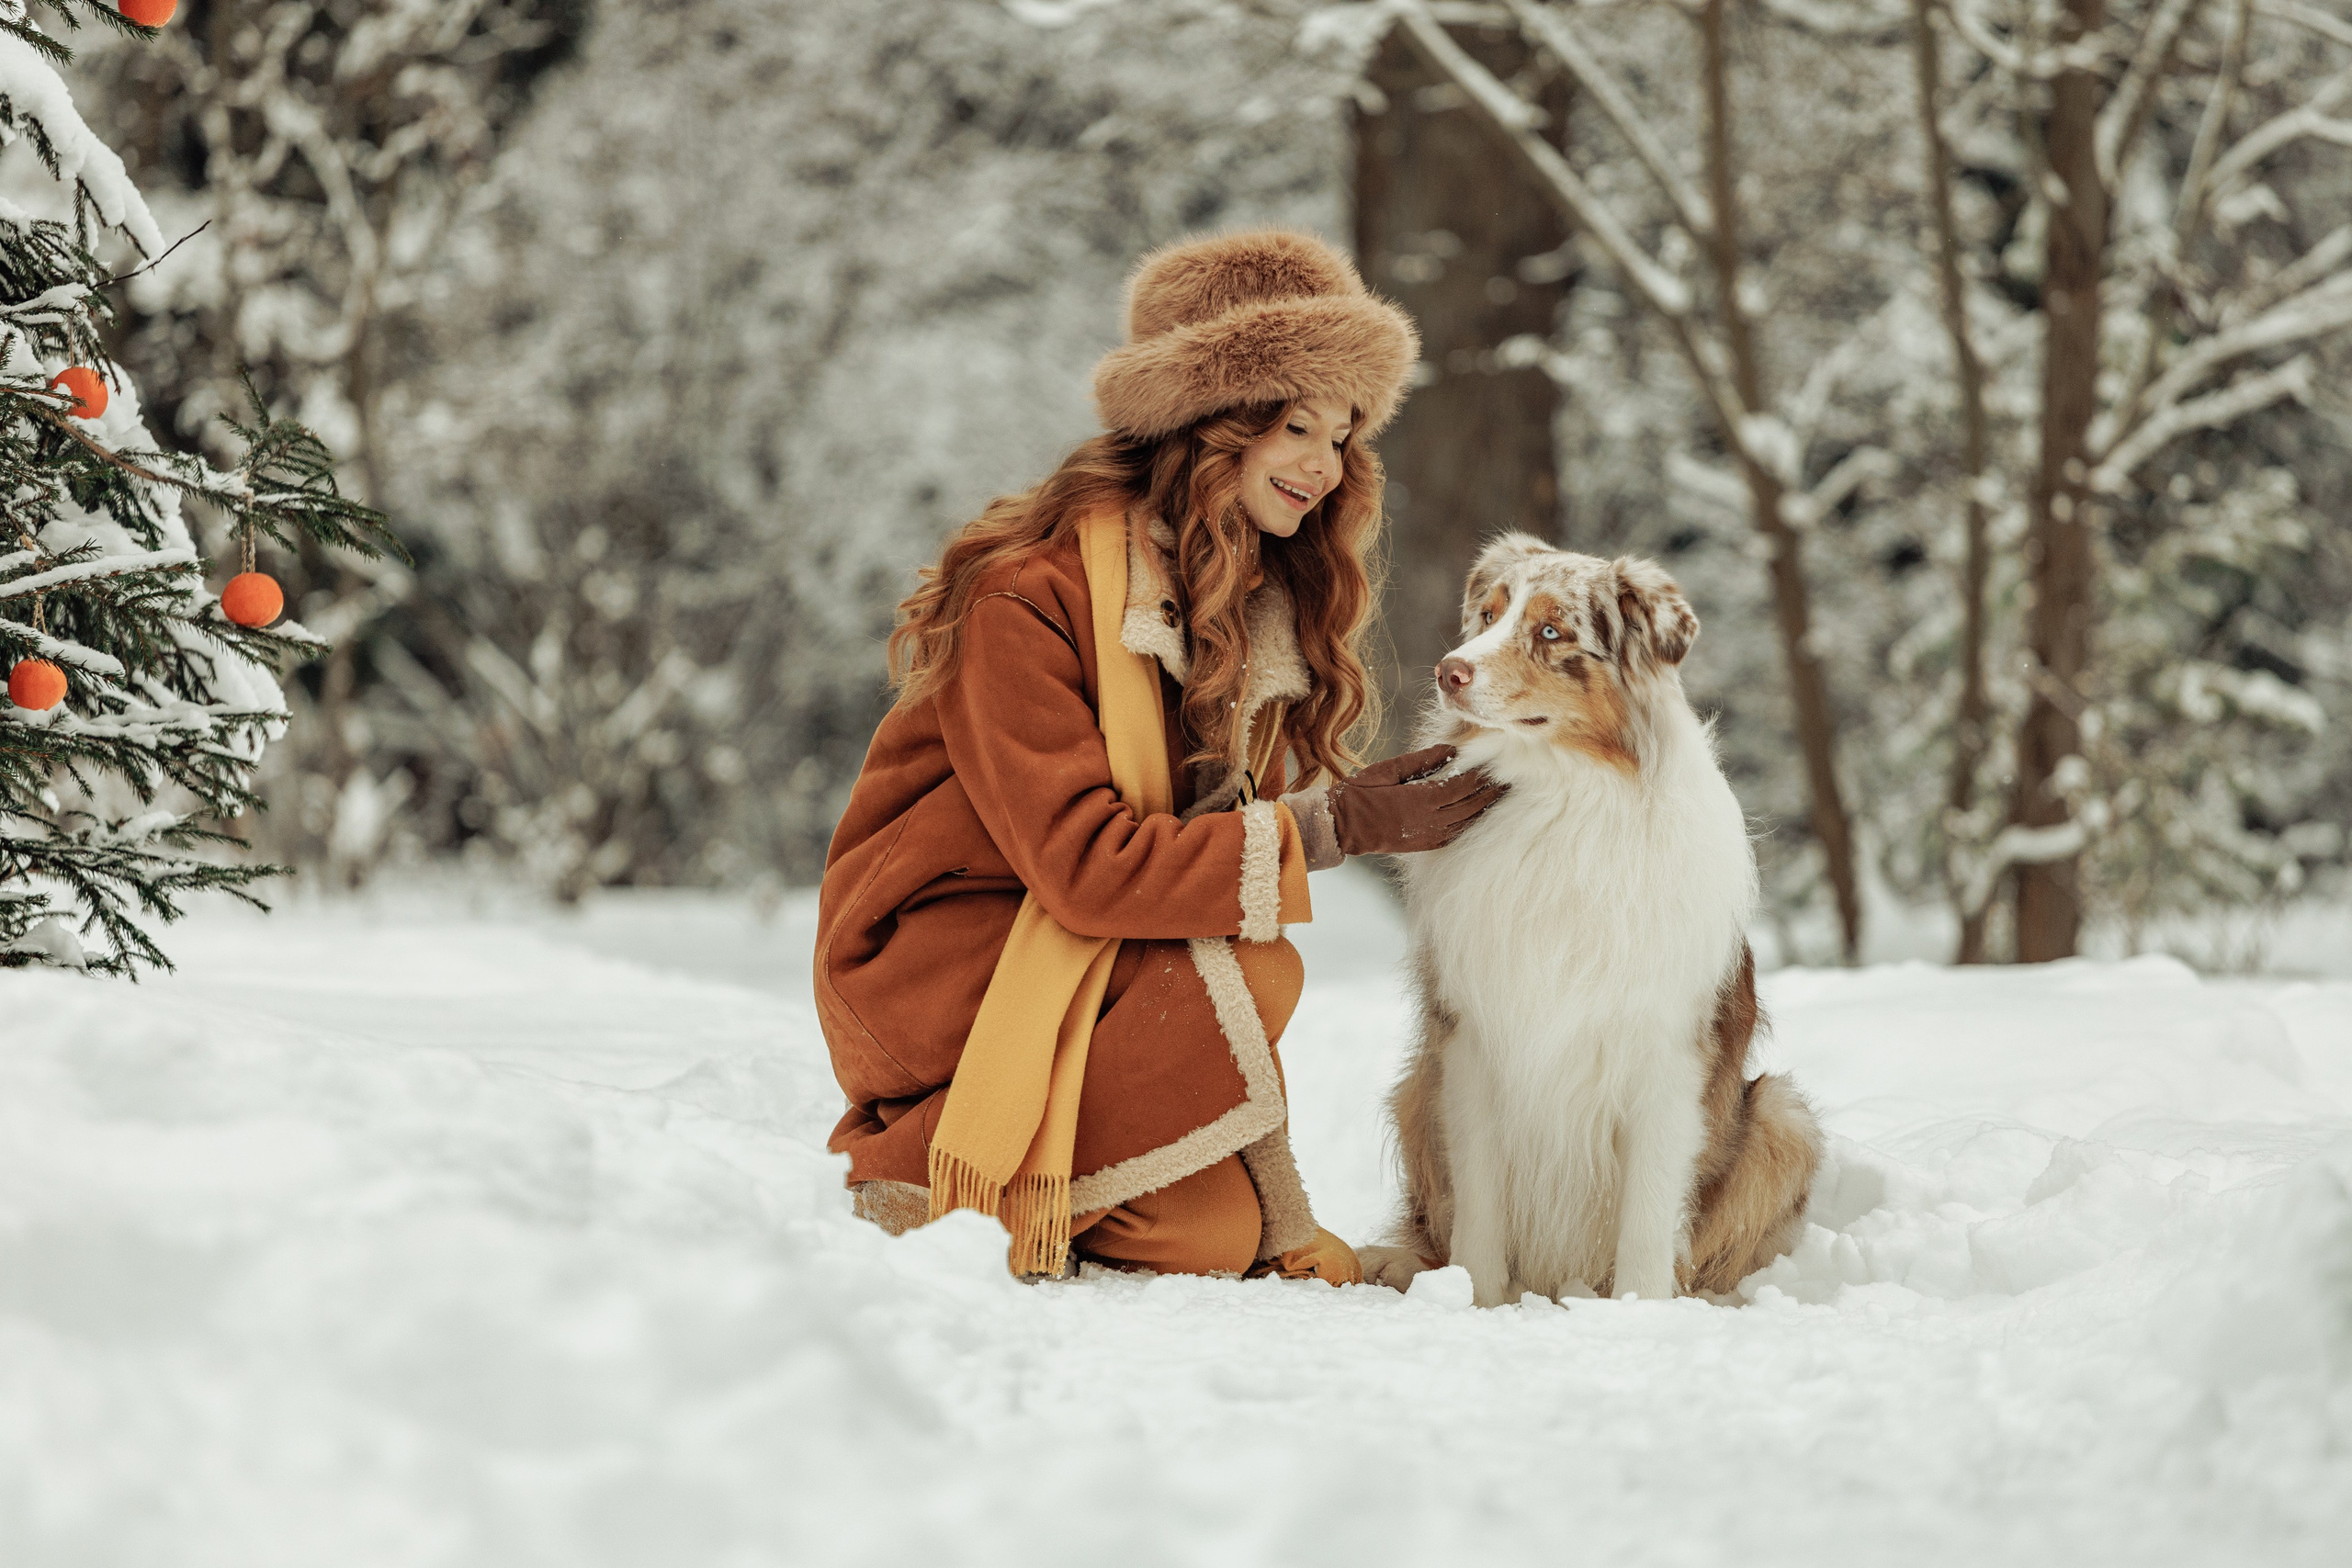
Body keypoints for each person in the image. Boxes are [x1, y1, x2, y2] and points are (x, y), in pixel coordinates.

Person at [813, 231, 1502, 1283]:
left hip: (1088, 950)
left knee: (1211, 1238)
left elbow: (1209, 873)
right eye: (1294, 427)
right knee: (1255, 961)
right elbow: (1088, 868)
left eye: (1343, 434)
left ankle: (1046, 1175)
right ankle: (924, 1164)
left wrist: (1282, 1225)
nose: (1324, 467)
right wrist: (1335, 826)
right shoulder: (1026, 594)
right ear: (1205, 427)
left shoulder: (1243, 609)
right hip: (942, 963)